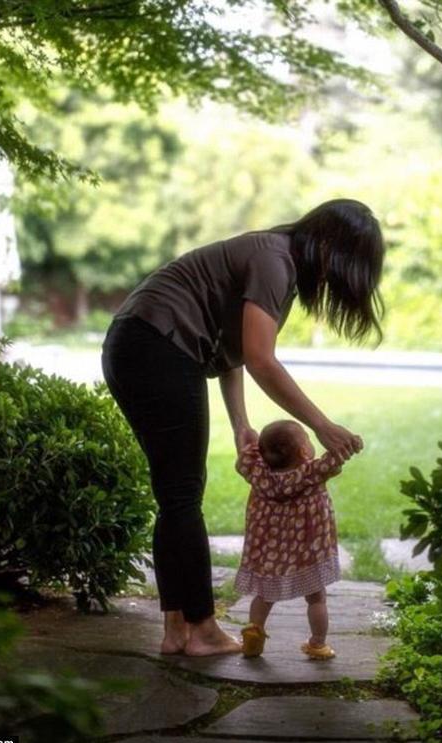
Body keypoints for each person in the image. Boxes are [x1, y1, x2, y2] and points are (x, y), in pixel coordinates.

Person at [101, 198, 385, 657]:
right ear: (331, 247)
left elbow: (229, 351)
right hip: (157, 347)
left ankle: (177, 629)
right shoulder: (276, 261)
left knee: (175, 497)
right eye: (349, 265)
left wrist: (241, 425)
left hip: (136, 344)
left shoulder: (270, 257)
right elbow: (260, 359)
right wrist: (323, 426)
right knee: (182, 496)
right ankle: (203, 630)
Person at [234, 419, 344, 659]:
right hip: (307, 550)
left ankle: (254, 635)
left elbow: (245, 459)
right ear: (305, 451)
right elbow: (337, 457)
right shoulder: (311, 473)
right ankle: (317, 644)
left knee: (264, 594)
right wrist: (349, 443)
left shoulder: (259, 474)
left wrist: (254, 444)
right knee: (316, 597)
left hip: (271, 549)